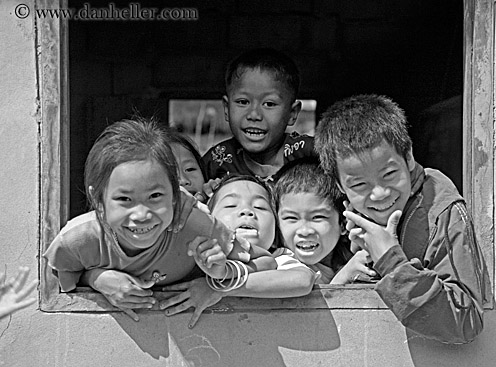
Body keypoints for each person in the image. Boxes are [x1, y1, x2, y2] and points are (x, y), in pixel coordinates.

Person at [44, 118, 275, 321]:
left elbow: (267, 263)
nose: (142, 215)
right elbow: (57, 283)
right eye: (124, 199)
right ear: (98, 199)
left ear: (175, 195)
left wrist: (220, 277)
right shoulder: (77, 240)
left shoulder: (194, 224)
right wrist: (96, 278)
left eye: (155, 196)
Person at [314, 94, 492, 344]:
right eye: (360, 184)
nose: (379, 193)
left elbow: (466, 321)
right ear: (339, 184)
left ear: (408, 157)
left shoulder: (440, 211)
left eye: (389, 174)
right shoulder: (344, 214)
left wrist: (390, 261)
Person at [160, 175, 317, 328]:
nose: (246, 211)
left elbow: (303, 280)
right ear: (209, 221)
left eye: (260, 207)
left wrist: (219, 288)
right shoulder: (194, 254)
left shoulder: (278, 259)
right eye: (230, 205)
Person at [201, 48, 315, 185]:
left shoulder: (310, 153)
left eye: (269, 104)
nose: (254, 115)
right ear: (226, 108)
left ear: (292, 113)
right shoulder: (216, 161)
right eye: (243, 102)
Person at [273, 158, 379, 284]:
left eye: (318, 217)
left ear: (344, 223)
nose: (305, 231)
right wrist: (344, 276)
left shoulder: (350, 259)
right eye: (291, 218)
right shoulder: (281, 265)